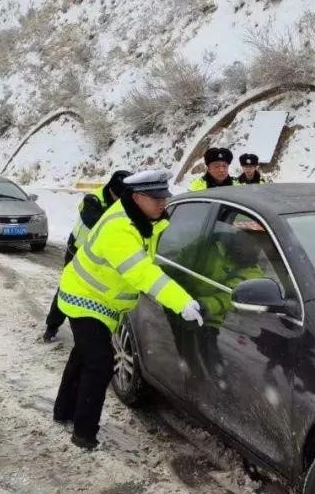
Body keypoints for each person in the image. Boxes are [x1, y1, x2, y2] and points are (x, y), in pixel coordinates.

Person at [53, 170, 202, 450]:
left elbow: (174, 238)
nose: (163, 203)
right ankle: (84, 435)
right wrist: (180, 300)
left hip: (102, 300)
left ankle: (63, 411)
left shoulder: (146, 218)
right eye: (156, 198)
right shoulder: (118, 228)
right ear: (137, 197)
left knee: (83, 356)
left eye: (165, 196)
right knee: (98, 364)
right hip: (84, 296)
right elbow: (142, 272)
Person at [41, 170, 131, 342]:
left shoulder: (123, 203)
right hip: (77, 252)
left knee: (99, 293)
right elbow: (95, 222)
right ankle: (52, 326)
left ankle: (95, 331)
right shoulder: (93, 200)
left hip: (101, 257)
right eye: (119, 196)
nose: (121, 200)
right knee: (67, 289)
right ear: (112, 190)